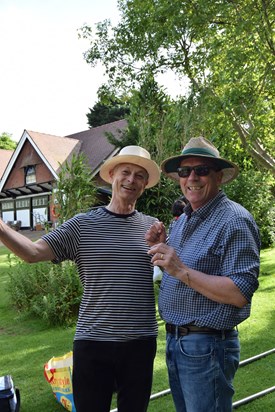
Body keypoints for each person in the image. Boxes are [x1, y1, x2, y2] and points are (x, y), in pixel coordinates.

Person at [0, 145, 161, 412]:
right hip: (94, 342)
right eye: (126, 172)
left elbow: (169, 274)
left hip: (140, 342)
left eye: (139, 175)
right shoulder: (81, 226)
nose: (132, 179)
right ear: (112, 175)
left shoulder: (152, 226)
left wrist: (163, 250)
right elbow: (33, 252)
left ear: (145, 185)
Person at [145, 136, 260, 412]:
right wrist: (161, 252)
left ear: (219, 176)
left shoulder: (235, 219)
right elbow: (180, 273)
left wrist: (180, 269)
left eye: (202, 170)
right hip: (176, 343)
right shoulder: (185, 218)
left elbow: (239, 292)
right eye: (185, 172)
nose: (192, 177)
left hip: (207, 346)